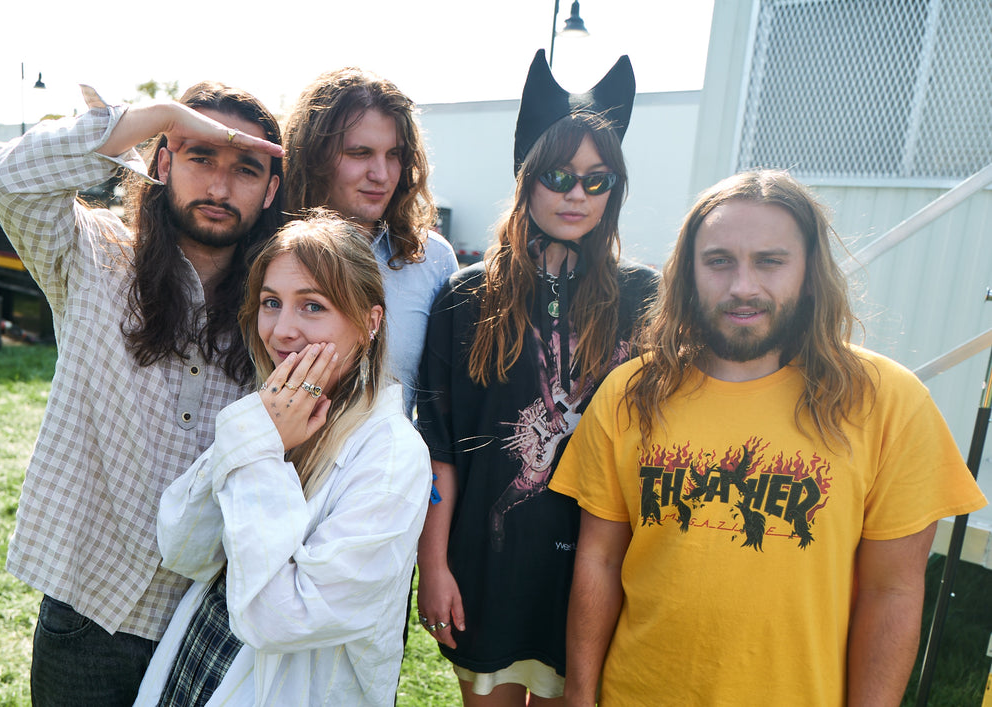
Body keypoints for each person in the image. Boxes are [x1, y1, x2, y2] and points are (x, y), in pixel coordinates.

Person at [550, 169, 988, 706]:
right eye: (719, 261)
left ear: (810, 274)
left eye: (770, 261)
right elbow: (599, 560)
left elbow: (891, 591)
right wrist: (579, 695)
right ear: (687, 274)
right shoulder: (631, 392)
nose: (743, 286)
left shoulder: (887, 402)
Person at [0, 82, 285, 705]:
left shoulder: (278, 310)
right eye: (201, 156)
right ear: (164, 162)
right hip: (89, 611)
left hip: (209, 624)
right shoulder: (91, 255)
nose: (220, 187)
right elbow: (8, 179)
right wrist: (163, 115)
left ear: (271, 190)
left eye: (246, 169)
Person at [416, 50, 659, 705]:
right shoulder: (467, 297)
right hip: (488, 569)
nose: (576, 194)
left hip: (592, 574)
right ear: (526, 178)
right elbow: (439, 444)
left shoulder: (644, 298)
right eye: (558, 176)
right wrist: (433, 564)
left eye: (597, 180)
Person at [132, 212, 432, 706]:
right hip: (196, 665)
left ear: (369, 323)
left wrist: (259, 453)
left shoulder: (393, 457)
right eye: (271, 303)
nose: (282, 330)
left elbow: (280, 618)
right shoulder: (272, 412)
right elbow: (183, 547)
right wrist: (257, 434)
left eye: (312, 306)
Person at [281, 66, 459, 417]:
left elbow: (444, 407)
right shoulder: (271, 251)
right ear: (313, 156)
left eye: (394, 155)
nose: (382, 174)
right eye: (359, 153)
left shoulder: (432, 260)